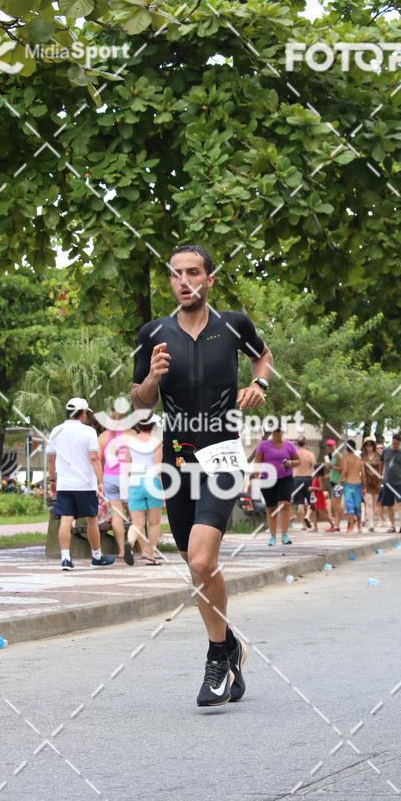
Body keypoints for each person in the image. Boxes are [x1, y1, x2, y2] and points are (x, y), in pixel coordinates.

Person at [131, 243, 273, 707]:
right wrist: (151, 377)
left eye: (195, 272)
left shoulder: (234, 324)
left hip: (223, 454)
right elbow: (140, 401)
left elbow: (263, 357)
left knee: (198, 558)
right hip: (177, 458)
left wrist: (259, 384)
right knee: (200, 568)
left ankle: (216, 659)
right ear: (170, 281)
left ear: (209, 279)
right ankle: (231, 646)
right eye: (177, 274)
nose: (185, 281)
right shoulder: (153, 333)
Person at [47, 397, 115, 570]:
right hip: (85, 484)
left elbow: (51, 458)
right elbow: (94, 458)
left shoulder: (56, 431)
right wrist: (101, 481)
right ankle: (96, 557)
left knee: (66, 519)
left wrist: (53, 480)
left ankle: (65, 559)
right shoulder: (89, 432)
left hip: (64, 484)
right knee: (92, 520)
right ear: (83, 413)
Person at [124, 413, 164, 566]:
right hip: (152, 482)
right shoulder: (157, 443)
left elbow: (127, 464)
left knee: (137, 523)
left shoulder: (130, 442)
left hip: (135, 482)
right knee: (154, 523)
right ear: (152, 426)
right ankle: (151, 556)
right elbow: (157, 467)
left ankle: (130, 542)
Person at [253, 427, 300, 546]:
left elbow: (298, 461)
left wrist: (290, 463)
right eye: (275, 431)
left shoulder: (289, 445)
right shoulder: (263, 445)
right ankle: (273, 536)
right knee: (271, 508)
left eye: (280, 431)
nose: (278, 433)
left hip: (285, 478)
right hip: (267, 479)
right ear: (271, 432)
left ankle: (284, 535)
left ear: (282, 432)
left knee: (285, 504)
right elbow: (257, 462)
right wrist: (256, 478)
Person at [98, 416, 130, 561]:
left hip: (109, 477)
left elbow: (96, 459)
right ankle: (144, 550)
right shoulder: (130, 434)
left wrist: (100, 481)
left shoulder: (103, 437)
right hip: (126, 476)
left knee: (116, 515)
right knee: (136, 514)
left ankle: (122, 551)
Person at [340, 441, 366, 533]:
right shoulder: (359, 459)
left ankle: (351, 527)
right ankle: (359, 527)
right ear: (354, 448)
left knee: (349, 506)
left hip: (348, 483)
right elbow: (363, 475)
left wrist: (339, 481)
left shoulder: (345, 458)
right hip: (358, 483)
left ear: (347, 448)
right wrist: (364, 487)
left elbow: (345, 470)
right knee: (357, 506)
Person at [293, 435, 316, 530]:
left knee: (300, 503)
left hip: (297, 479)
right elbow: (314, 465)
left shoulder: (294, 454)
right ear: (306, 443)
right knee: (312, 501)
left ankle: (303, 525)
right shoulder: (310, 454)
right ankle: (307, 516)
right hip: (308, 478)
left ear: (297, 443)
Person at [361, 436, 382, 532]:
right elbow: (362, 470)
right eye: (367, 445)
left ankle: (371, 520)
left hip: (376, 482)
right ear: (364, 446)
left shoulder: (378, 456)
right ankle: (371, 524)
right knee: (368, 503)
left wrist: (381, 478)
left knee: (374, 504)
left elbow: (382, 468)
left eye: (370, 444)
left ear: (373, 445)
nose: (369, 446)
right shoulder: (362, 457)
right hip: (366, 482)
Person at [309, 467, 338, 532]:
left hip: (319, 496)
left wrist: (313, 488)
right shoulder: (315, 477)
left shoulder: (319, 478)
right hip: (314, 496)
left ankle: (333, 525)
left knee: (322, 514)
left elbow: (321, 488)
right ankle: (315, 527)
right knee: (314, 511)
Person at [326, 438, 343, 529]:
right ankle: (337, 525)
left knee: (335, 504)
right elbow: (334, 469)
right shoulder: (332, 456)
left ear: (335, 445)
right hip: (333, 482)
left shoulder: (338, 455)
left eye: (331, 445)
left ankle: (351, 517)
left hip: (338, 482)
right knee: (336, 505)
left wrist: (331, 466)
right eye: (328, 446)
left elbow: (342, 468)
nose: (330, 447)